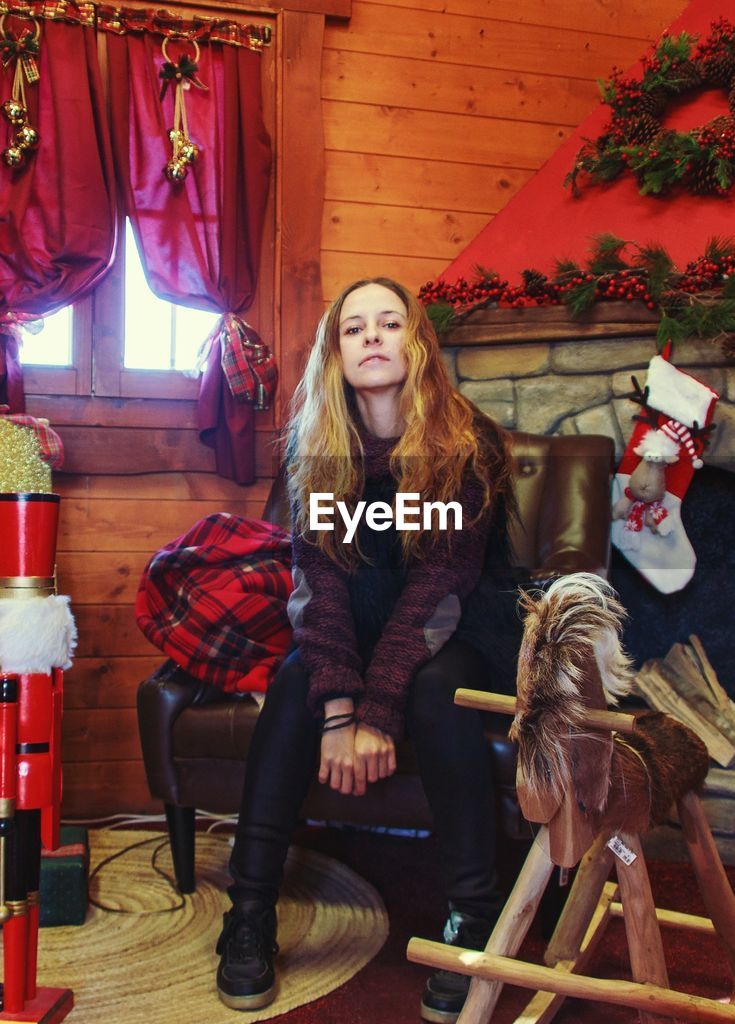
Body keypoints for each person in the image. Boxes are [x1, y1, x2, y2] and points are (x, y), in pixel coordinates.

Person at [216, 277, 520, 1023]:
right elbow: (318, 585)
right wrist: (337, 709)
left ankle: (472, 918)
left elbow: (441, 587)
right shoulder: (320, 449)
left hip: (462, 619)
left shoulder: (465, 440)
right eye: (356, 328)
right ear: (337, 351)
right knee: (296, 682)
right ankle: (248, 911)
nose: (374, 337)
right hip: (357, 610)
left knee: (434, 690)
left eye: (390, 323)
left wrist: (375, 714)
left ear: (416, 343)